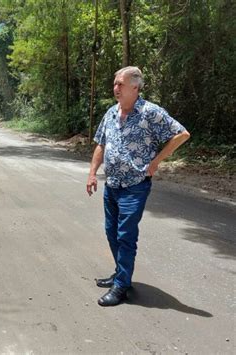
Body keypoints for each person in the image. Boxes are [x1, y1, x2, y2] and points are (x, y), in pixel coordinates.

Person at [86, 66, 190, 307]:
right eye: (114, 84)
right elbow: (101, 144)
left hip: (135, 186)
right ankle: (120, 274)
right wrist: (92, 173)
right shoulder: (111, 113)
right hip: (111, 184)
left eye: (120, 84)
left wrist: (156, 161)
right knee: (111, 232)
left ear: (135, 86)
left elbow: (181, 134)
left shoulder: (150, 112)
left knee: (125, 235)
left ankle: (121, 286)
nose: (115, 88)